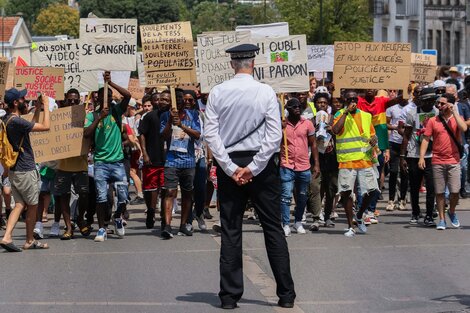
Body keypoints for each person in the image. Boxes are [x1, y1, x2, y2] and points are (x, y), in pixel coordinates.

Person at [205, 43, 296, 309]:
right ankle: (286, 295)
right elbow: (274, 136)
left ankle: (229, 297)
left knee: (231, 230)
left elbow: (211, 134)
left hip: (230, 162)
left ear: (233, 63)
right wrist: (254, 167)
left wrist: (232, 168)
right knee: (272, 228)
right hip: (262, 164)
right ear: (252, 63)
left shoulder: (219, 92)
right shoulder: (266, 92)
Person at [0, 88, 51, 252]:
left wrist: (37, 109)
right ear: (15, 102)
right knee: (33, 205)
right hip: (25, 170)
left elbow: (30, 126)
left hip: (15, 170)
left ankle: (7, 237)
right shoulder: (16, 121)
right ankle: (29, 240)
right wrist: (47, 106)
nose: (25, 100)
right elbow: (45, 127)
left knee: (20, 204)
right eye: (22, 98)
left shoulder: (7, 119)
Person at [84, 71, 131, 242]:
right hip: (101, 164)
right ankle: (102, 228)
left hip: (118, 162)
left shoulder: (117, 112)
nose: (107, 98)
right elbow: (86, 133)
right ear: (96, 99)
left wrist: (110, 83)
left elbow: (128, 95)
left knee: (123, 195)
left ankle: (118, 217)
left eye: (109, 96)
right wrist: (99, 118)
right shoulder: (92, 116)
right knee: (102, 197)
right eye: (103, 96)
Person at [332, 91, 379, 237]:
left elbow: (372, 135)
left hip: (365, 159)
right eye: (349, 99)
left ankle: (359, 216)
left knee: (372, 191)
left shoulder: (366, 115)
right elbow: (335, 130)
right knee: (346, 193)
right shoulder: (339, 114)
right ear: (345, 100)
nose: (353, 101)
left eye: (355, 98)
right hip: (347, 160)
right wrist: (346, 112)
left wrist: (374, 140)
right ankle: (350, 225)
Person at [419, 93, 467, 230]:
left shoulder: (457, 118)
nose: (439, 106)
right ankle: (441, 219)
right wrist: (422, 157)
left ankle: (451, 211)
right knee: (439, 192)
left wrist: (455, 112)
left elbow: (464, 128)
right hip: (437, 160)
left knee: (455, 191)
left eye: (442, 103)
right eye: (438, 103)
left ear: (450, 105)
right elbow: (426, 139)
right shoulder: (433, 120)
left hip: (454, 160)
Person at [160, 89, 201, 239]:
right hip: (171, 161)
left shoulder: (193, 115)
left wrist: (182, 126)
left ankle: (184, 225)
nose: (181, 102)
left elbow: (197, 135)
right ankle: (168, 226)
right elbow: (163, 136)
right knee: (170, 192)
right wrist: (171, 121)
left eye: (182, 100)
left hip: (189, 161)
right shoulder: (165, 115)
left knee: (187, 194)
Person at [54, 88, 91, 240]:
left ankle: (80, 217)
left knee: (83, 195)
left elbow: (89, 134)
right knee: (63, 196)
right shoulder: (58, 118)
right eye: (70, 100)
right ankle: (69, 226)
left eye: (76, 100)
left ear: (79, 101)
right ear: (66, 100)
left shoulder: (86, 117)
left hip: (80, 164)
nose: (73, 102)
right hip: (63, 166)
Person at [280, 98, 319, 236]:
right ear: (288, 109)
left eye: (299, 106)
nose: (297, 108)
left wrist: (316, 164)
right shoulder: (283, 125)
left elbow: (313, 144)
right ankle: (285, 223)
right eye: (293, 106)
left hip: (303, 165)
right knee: (286, 196)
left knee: (302, 196)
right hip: (286, 165)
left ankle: (297, 222)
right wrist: (280, 128)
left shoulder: (307, 124)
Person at [400, 87, 437, 225]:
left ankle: (429, 215)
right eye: (427, 101)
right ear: (421, 101)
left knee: (431, 186)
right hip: (414, 154)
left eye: (432, 101)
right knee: (414, 186)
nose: (429, 104)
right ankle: (415, 211)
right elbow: (407, 135)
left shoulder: (437, 113)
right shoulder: (412, 113)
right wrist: (402, 157)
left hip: (432, 155)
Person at [138, 92, 166, 230]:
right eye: (158, 100)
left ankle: (164, 215)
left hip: (168, 159)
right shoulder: (149, 116)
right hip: (152, 158)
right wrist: (145, 153)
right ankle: (151, 210)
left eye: (164, 99)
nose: (161, 102)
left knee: (165, 188)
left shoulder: (173, 116)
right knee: (151, 188)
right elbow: (141, 134)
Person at [385, 95, 409, 211]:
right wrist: (396, 127)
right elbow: (386, 124)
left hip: (406, 144)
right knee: (393, 172)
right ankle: (391, 200)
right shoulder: (392, 108)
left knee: (404, 172)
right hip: (394, 142)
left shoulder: (411, 108)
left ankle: (402, 199)